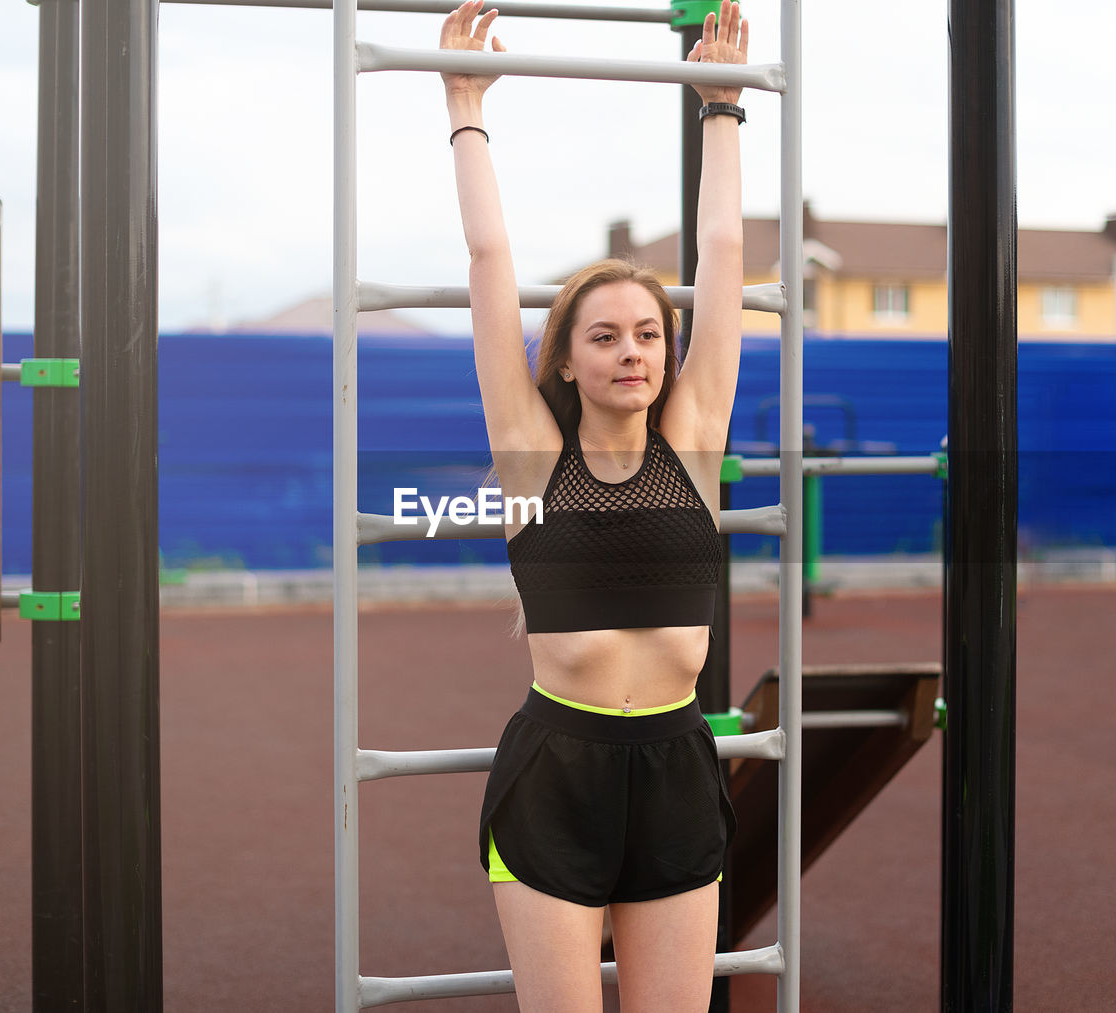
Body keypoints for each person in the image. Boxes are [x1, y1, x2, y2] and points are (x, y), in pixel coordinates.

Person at [440, 2, 749, 1009]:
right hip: (556, 774)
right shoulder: (531, 454)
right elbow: (491, 269)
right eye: (606, 335)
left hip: (674, 765)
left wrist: (720, 110)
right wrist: (464, 106)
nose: (632, 352)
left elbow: (725, 253)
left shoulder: (693, 442)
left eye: (649, 335)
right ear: (567, 359)